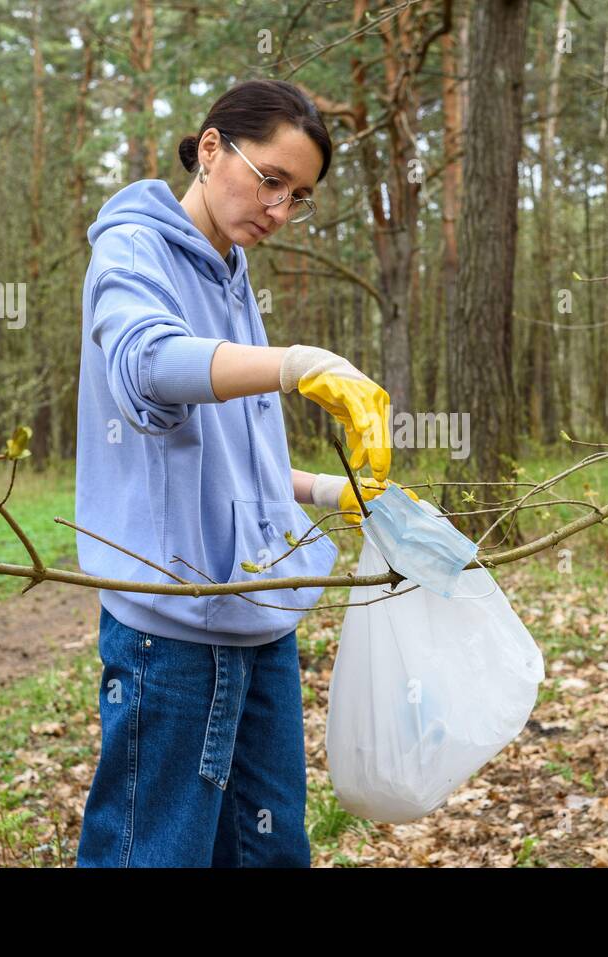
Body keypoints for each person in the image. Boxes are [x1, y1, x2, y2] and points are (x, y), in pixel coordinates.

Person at [73, 78, 416, 867]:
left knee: (270, 853)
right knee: (153, 852)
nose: (280, 211)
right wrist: (299, 364)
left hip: (257, 611)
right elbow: (149, 365)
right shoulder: (133, 249)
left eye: (298, 197)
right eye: (271, 180)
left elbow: (228, 454)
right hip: (175, 618)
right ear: (210, 147)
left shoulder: (231, 270)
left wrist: (331, 491)